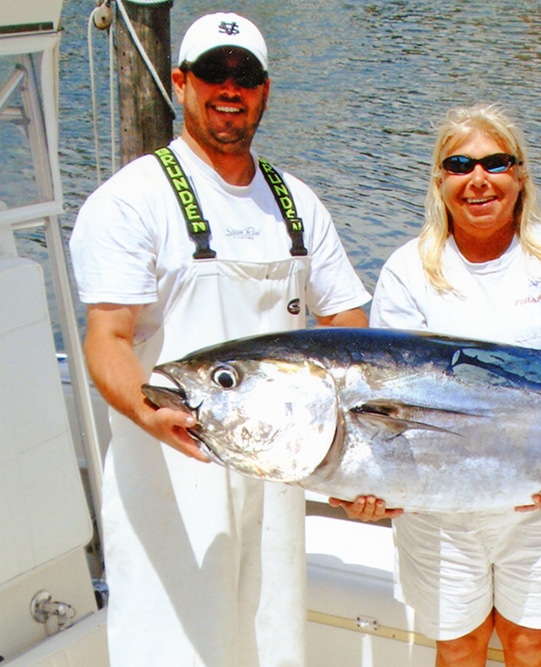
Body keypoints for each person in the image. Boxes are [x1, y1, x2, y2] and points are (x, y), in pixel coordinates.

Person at [69, 12, 370, 666]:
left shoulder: (298, 206)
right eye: (213, 73)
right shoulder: (132, 202)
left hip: (282, 475)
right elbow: (107, 339)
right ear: (180, 83)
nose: (228, 89)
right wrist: (155, 415)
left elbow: (352, 335)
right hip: (177, 470)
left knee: (273, 646)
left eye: (246, 76)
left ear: (264, 90)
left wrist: (357, 462)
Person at [358, 103, 541, 666]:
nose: (478, 180)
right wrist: (368, 489)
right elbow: (389, 410)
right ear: (440, 180)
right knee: (458, 649)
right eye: (459, 165)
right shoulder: (409, 270)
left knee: (531, 647)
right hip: (438, 508)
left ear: (519, 176)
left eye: (496, 163)